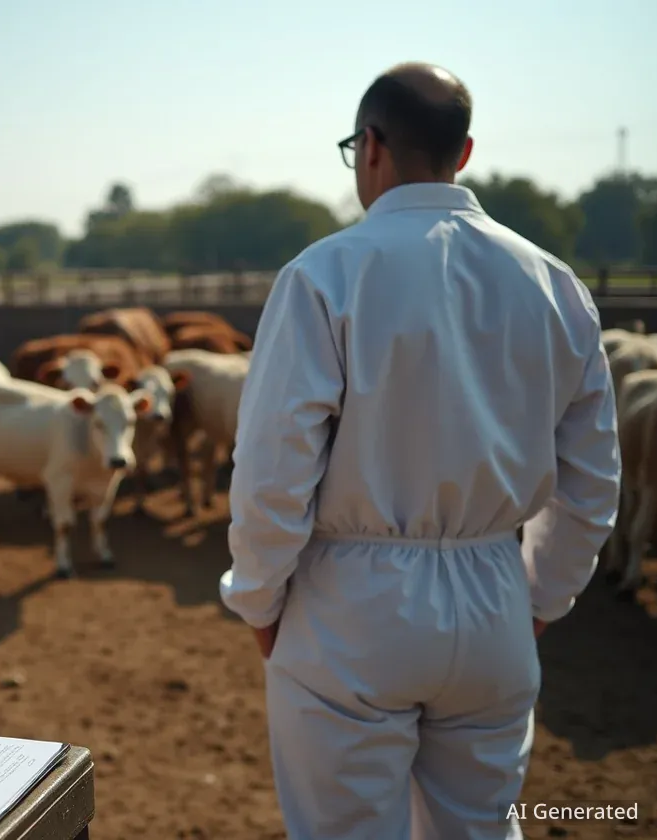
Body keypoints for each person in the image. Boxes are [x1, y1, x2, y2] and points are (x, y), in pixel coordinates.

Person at [221, 63, 621, 839]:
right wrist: (541, 596)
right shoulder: (556, 285)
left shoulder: (324, 274)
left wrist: (260, 599)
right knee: (477, 828)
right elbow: (593, 480)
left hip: (351, 607)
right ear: (463, 153)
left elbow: (272, 471)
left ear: (369, 145)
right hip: (495, 594)